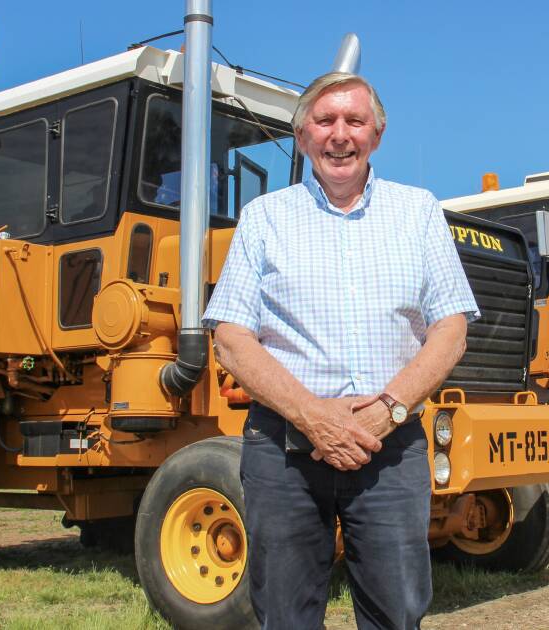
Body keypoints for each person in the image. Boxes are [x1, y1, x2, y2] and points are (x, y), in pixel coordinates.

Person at [201, 71, 479, 629]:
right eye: (325, 121)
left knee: (396, 615)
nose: (340, 134)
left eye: (355, 121)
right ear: (302, 136)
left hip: (391, 450)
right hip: (283, 450)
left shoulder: (418, 212)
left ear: (376, 134)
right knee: (284, 615)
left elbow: (450, 329)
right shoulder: (264, 218)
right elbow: (230, 337)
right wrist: (312, 415)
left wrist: (387, 410)